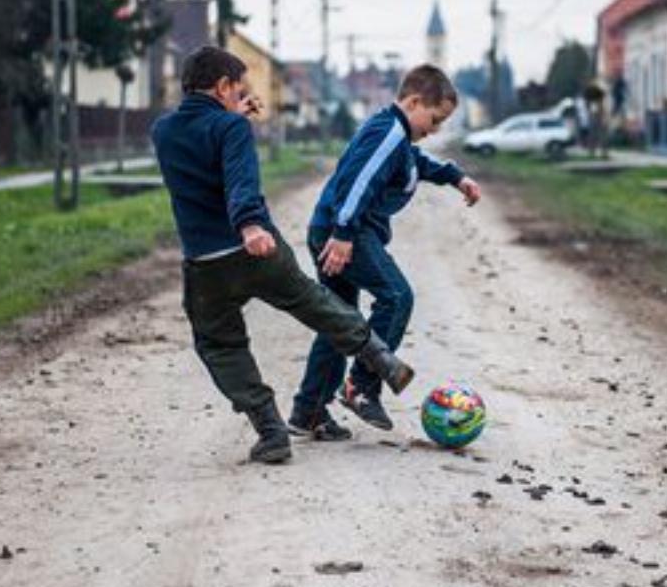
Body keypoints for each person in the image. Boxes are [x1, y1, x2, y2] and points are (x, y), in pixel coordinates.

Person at [150, 46, 412, 464]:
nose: (242, 96)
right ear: (222, 87)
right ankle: (377, 357)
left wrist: (231, 117)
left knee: (220, 344)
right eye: (239, 89)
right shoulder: (231, 129)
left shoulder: (163, 130)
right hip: (256, 248)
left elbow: (201, 143)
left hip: (205, 264)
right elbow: (239, 179)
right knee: (314, 302)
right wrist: (250, 223)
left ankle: (271, 431)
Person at [288, 64, 482, 438]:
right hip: (345, 231)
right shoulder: (390, 134)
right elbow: (356, 183)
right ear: (412, 101)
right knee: (396, 296)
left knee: (338, 320)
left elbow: (415, 163)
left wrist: (455, 176)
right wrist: (344, 233)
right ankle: (361, 385)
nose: (435, 129)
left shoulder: (395, 136)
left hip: (335, 228)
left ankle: (308, 410)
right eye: (434, 118)